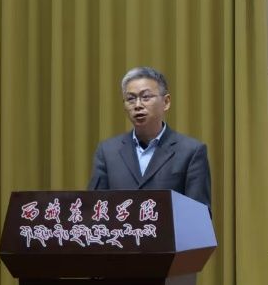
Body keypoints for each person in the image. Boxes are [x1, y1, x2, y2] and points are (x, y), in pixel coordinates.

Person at [88, 66, 212, 209]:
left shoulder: (191, 152)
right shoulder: (108, 152)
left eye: (146, 97)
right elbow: (94, 209)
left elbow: (198, 214)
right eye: (131, 99)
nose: (138, 105)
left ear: (166, 102)